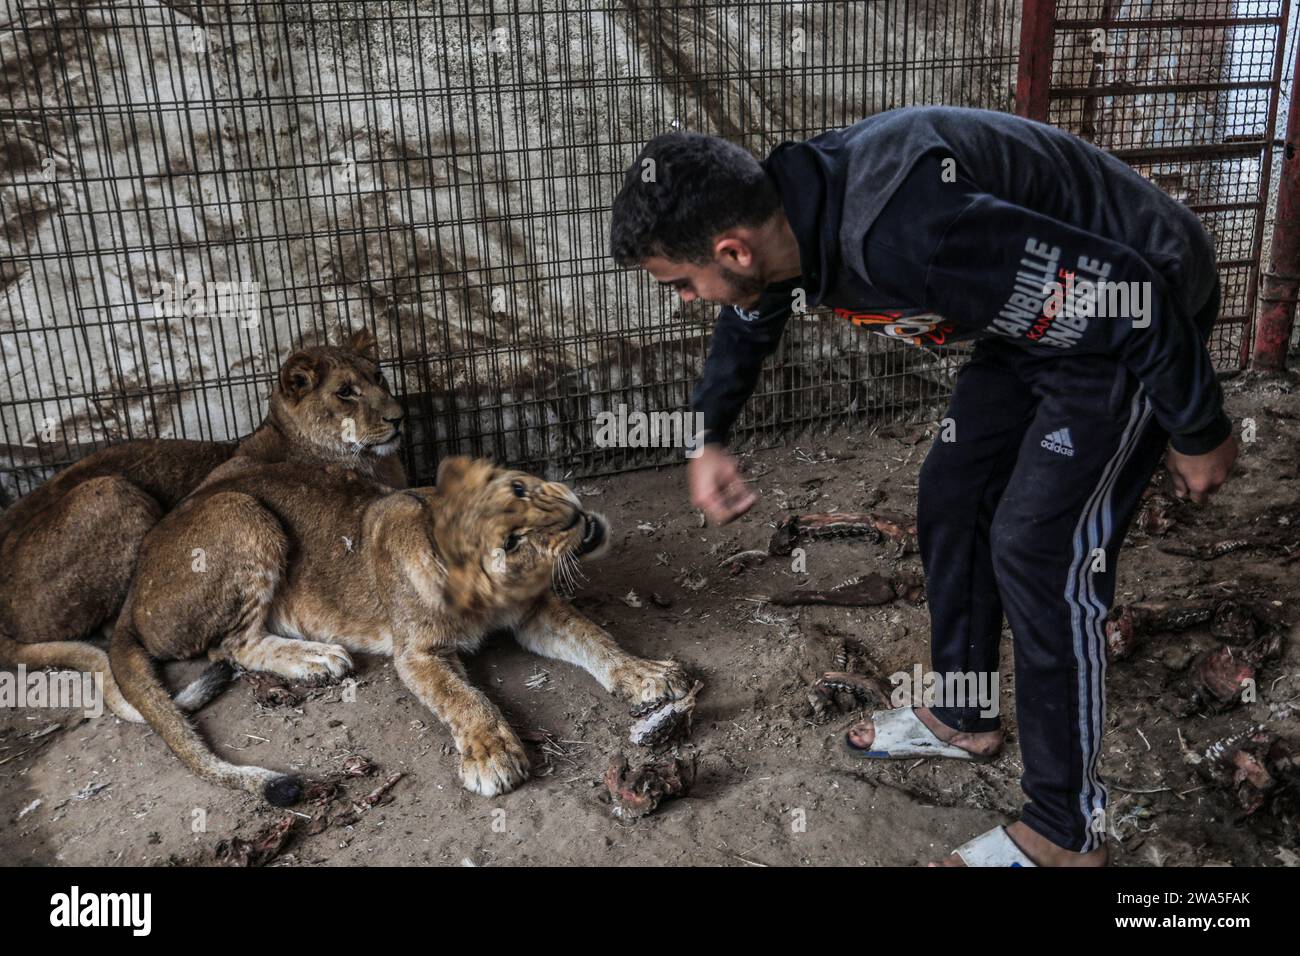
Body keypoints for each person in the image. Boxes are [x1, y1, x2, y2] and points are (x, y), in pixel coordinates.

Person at [608, 105, 1238, 866]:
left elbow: (1129, 291)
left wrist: (1199, 426)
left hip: (1137, 311)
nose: (685, 299)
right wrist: (707, 435)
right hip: (1036, 314)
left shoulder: (910, 232)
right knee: (953, 491)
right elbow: (752, 311)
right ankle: (966, 714)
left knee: (1039, 547)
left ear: (732, 249)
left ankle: (1066, 833)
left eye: (681, 283)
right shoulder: (789, 217)